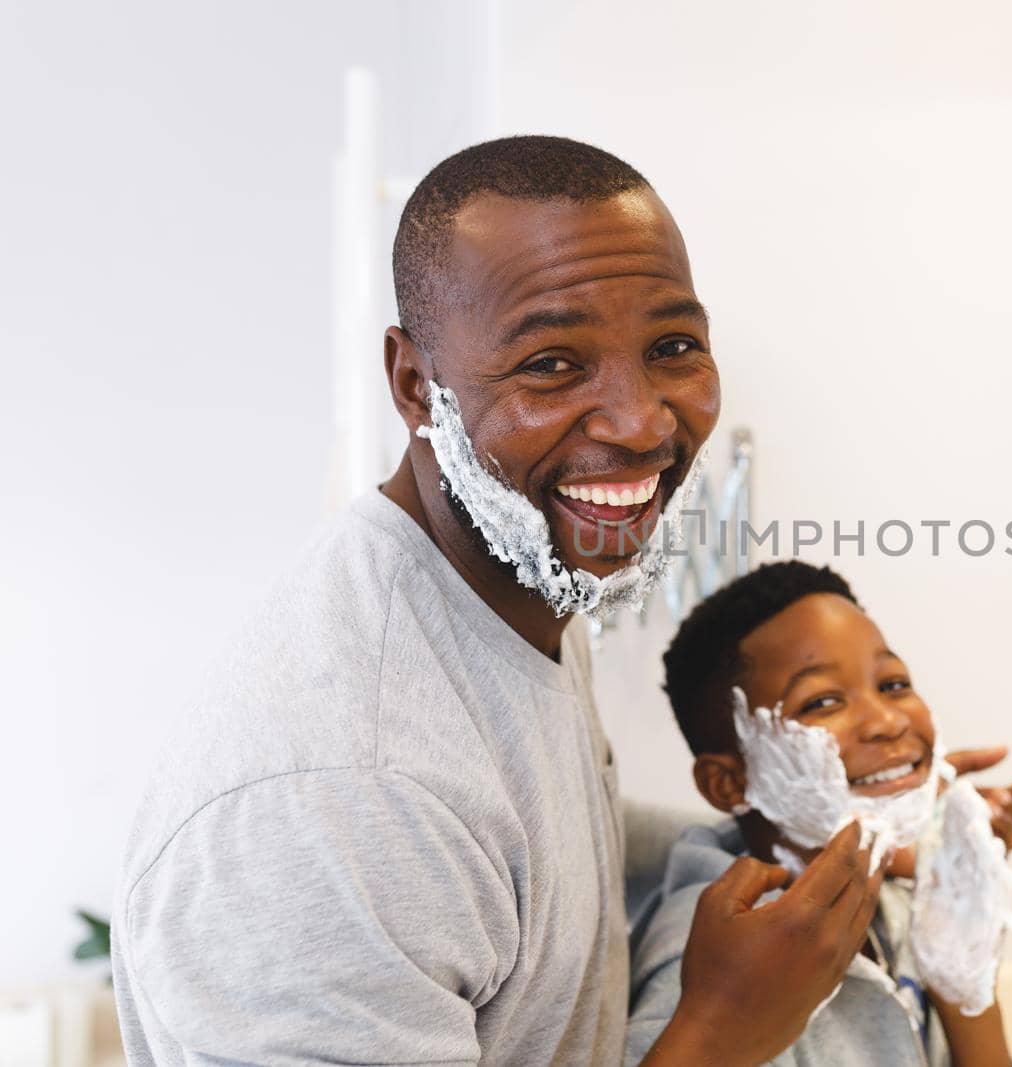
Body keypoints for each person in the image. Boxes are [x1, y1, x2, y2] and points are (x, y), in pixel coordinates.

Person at [110, 136, 913, 1066]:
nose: (642, 421)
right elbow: (435, 835)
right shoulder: (339, 799)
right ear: (417, 385)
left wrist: (832, 831)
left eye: (673, 347)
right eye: (553, 365)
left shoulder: (516, 583)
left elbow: (531, 856)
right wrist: (723, 1030)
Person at [632, 560, 1012, 1066]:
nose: (886, 721)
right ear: (730, 783)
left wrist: (965, 966)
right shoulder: (709, 972)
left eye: (892, 684)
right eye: (822, 701)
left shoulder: (897, 899)